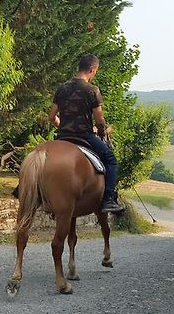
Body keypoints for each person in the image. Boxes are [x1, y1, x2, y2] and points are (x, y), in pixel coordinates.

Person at [48, 54, 125, 213]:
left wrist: (61, 126)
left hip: (62, 136)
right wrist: (102, 131)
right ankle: (108, 200)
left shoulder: (62, 88)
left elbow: (51, 116)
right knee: (111, 160)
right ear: (92, 69)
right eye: (95, 71)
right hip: (84, 136)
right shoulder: (92, 90)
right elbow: (99, 119)